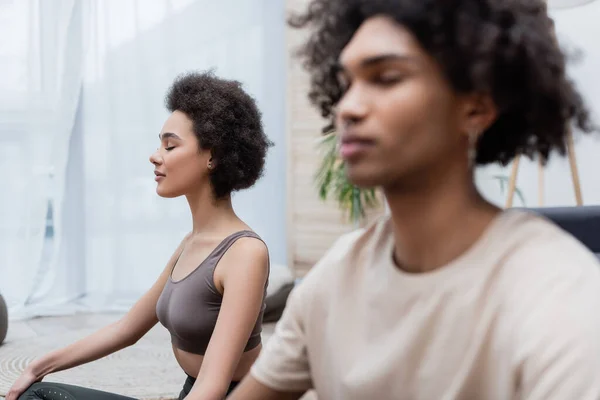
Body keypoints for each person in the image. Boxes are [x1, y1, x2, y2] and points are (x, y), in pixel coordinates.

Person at [228, 1, 600, 399]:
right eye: (346, 83)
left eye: (386, 78)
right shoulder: (334, 278)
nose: (348, 108)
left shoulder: (558, 296)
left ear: (475, 107)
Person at [7, 71, 274, 400]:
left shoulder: (245, 253)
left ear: (213, 156)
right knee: (40, 394)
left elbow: (213, 386)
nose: (155, 155)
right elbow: (126, 329)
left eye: (170, 145)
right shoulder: (190, 245)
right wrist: (39, 366)